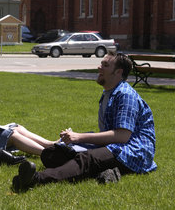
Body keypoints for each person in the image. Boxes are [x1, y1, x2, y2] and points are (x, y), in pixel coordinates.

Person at [12, 51, 157, 192]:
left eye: (105, 65)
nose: (99, 67)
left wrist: (78, 137)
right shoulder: (109, 93)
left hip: (134, 152)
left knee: (87, 158)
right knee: (53, 153)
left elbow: (122, 136)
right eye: (101, 64)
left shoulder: (126, 95)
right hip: (116, 146)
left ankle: (36, 179)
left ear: (118, 72)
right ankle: (105, 170)